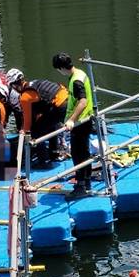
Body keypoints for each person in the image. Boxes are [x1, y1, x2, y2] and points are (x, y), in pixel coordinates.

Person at [52, 52, 94, 200]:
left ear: (62, 68)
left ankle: (81, 186)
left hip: (79, 122)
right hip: (86, 119)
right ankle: (87, 182)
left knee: (78, 154)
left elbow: (82, 101)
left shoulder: (76, 81)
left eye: (58, 69)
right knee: (85, 151)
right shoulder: (80, 73)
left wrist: (71, 120)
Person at [6, 69, 69, 168]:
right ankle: (54, 152)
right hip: (66, 98)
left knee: (36, 131)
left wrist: (25, 131)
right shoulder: (34, 83)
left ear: (14, 85)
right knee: (50, 124)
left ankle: (44, 161)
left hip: (59, 106)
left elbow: (28, 120)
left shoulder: (25, 97)